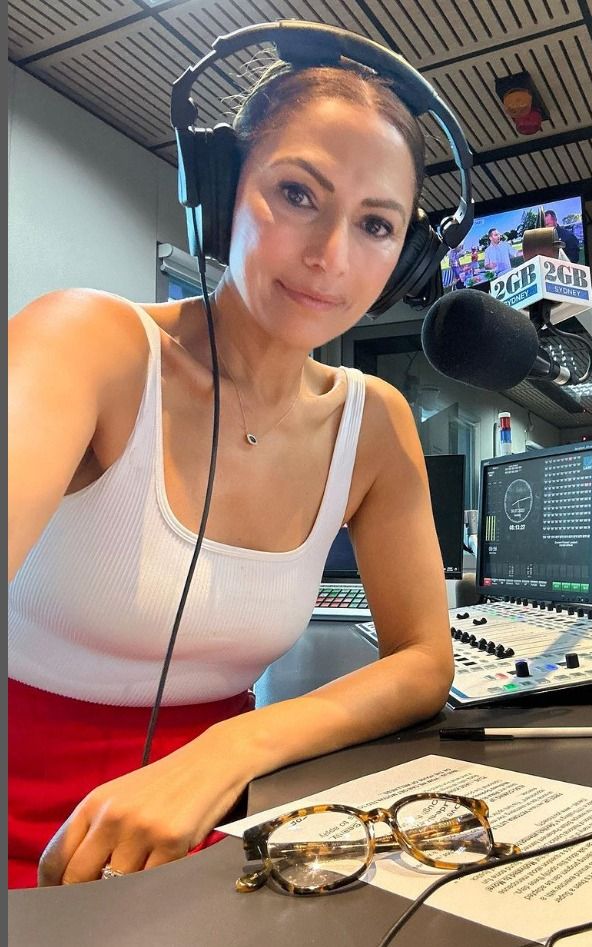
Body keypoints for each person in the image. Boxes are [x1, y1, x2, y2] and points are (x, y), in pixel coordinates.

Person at [8, 47, 456, 889]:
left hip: (225, 827)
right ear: (219, 194)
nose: (330, 254)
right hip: (26, 838)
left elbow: (425, 659)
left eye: (375, 225)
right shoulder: (84, 345)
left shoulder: (373, 422)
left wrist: (234, 744)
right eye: (297, 194)